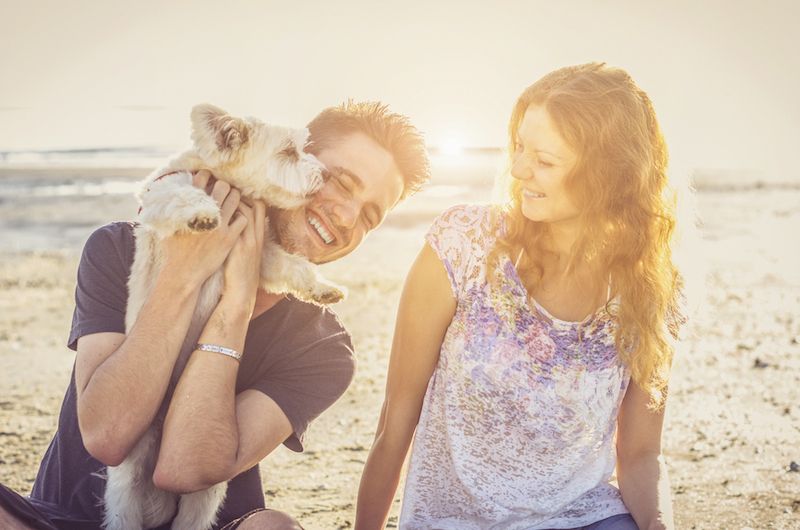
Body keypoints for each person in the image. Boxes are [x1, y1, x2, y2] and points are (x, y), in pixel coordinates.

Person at [0, 101, 430, 530]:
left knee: (273, 528)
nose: (348, 215)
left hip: (211, 525)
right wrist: (183, 276)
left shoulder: (323, 348)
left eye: (370, 216)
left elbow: (183, 470)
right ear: (292, 155)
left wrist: (236, 305)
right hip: (60, 521)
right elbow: (107, 436)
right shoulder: (119, 249)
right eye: (339, 181)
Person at [355, 63, 686, 530]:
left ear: (610, 175)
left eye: (545, 161)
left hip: (587, 518)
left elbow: (640, 454)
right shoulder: (463, 244)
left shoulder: (652, 291)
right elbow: (395, 423)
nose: (518, 169)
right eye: (519, 147)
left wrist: (656, 524)